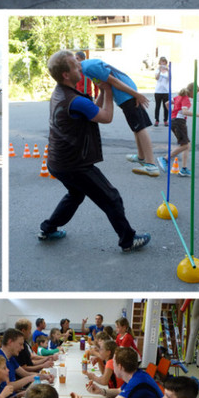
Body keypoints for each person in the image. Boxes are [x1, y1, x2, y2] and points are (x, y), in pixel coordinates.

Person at [38, 50, 150, 251]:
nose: (80, 67)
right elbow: (106, 117)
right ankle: (128, 240)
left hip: (58, 161)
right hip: (74, 164)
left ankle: (47, 229)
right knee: (111, 197)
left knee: (75, 195)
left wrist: (101, 93)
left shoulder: (61, 93)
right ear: (65, 74)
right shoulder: (74, 99)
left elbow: (92, 111)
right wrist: (107, 91)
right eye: (75, 65)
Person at [79, 55, 159, 177]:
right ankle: (141, 157)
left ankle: (151, 165)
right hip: (124, 95)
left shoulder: (88, 67)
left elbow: (114, 82)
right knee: (136, 128)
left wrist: (136, 95)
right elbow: (104, 88)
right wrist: (94, 109)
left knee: (140, 128)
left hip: (126, 95)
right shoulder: (86, 68)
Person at [158, 83, 199, 177]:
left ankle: (184, 169)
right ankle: (165, 159)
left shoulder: (178, 97)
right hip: (179, 123)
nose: (196, 95)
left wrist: (171, 114)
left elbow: (167, 103)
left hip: (174, 121)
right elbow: (184, 111)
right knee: (185, 146)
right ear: (191, 91)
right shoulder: (186, 99)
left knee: (187, 145)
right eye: (196, 93)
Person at [153, 57, 169, 126]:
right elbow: (156, 78)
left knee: (165, 107)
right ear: (160, 63)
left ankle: (165, 120)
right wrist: (159, 70)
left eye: (164, 62)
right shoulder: (157, 70)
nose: (163, 63)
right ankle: (157, 120)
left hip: (166, 91)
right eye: (161, 62)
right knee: (157, 106)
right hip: (158, 91)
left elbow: (170, 79)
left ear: (166, 62)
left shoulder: (168, 70)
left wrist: (168, 71)